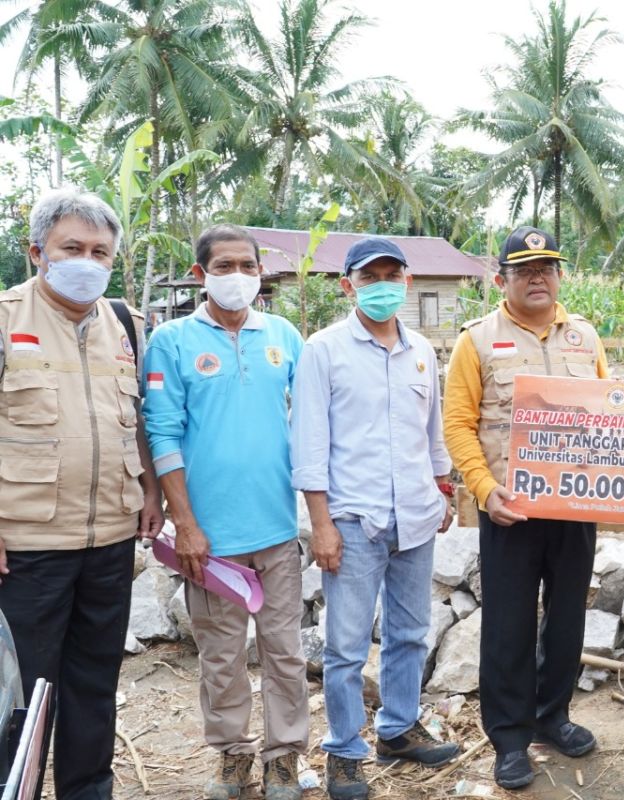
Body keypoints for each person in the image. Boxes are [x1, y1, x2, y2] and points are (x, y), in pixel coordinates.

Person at [0, 187, 163, 800]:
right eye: (73, 248)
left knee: (95, 678)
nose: (87, 261)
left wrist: (151, 491)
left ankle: (88, 788)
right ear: (37, 250)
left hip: (111, 540)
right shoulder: (5, 319)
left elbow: (141, 421)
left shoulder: (125, 326)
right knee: (23, 690)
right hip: (28, 544)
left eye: (101, 252)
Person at [142, 224, 308, 800]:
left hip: (278, 530)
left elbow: (312, 425)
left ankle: (284, 756)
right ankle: (233, 756)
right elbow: (162, 431)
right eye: (225, 266)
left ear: (260, 272)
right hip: (209, 540)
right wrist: (184, 524)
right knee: (221, 656)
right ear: (200, 274)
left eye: (247, 265)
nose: (237, 276)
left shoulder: (284, 336)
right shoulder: (172, 340)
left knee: (285, 651)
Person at [291, 236, 460, 800]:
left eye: (393, 275)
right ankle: (344, 750)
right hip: (353, 519)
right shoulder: (325, 349)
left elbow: (431, 431)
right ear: (349, 286)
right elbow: (310, 444)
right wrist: (321, 525)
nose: (383, 285)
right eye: (370, 277)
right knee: (344, 645)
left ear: (407, 282)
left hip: (414, 514)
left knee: (410, 634)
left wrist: (443, 487)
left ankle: (398, 728)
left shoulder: (420, 352)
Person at [443, 226, 607, 790]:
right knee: (508, 625)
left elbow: (610, 415)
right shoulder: (477, 341)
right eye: (523, 269)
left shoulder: (585, 337)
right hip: (509, 508)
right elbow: (458, 424)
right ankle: (510, 739)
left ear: (560, 275)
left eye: (547, 267)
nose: (538, 277)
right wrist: (486, 491)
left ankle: (552, 716)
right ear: (501, 279)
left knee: (567, 618)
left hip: (575, 506)